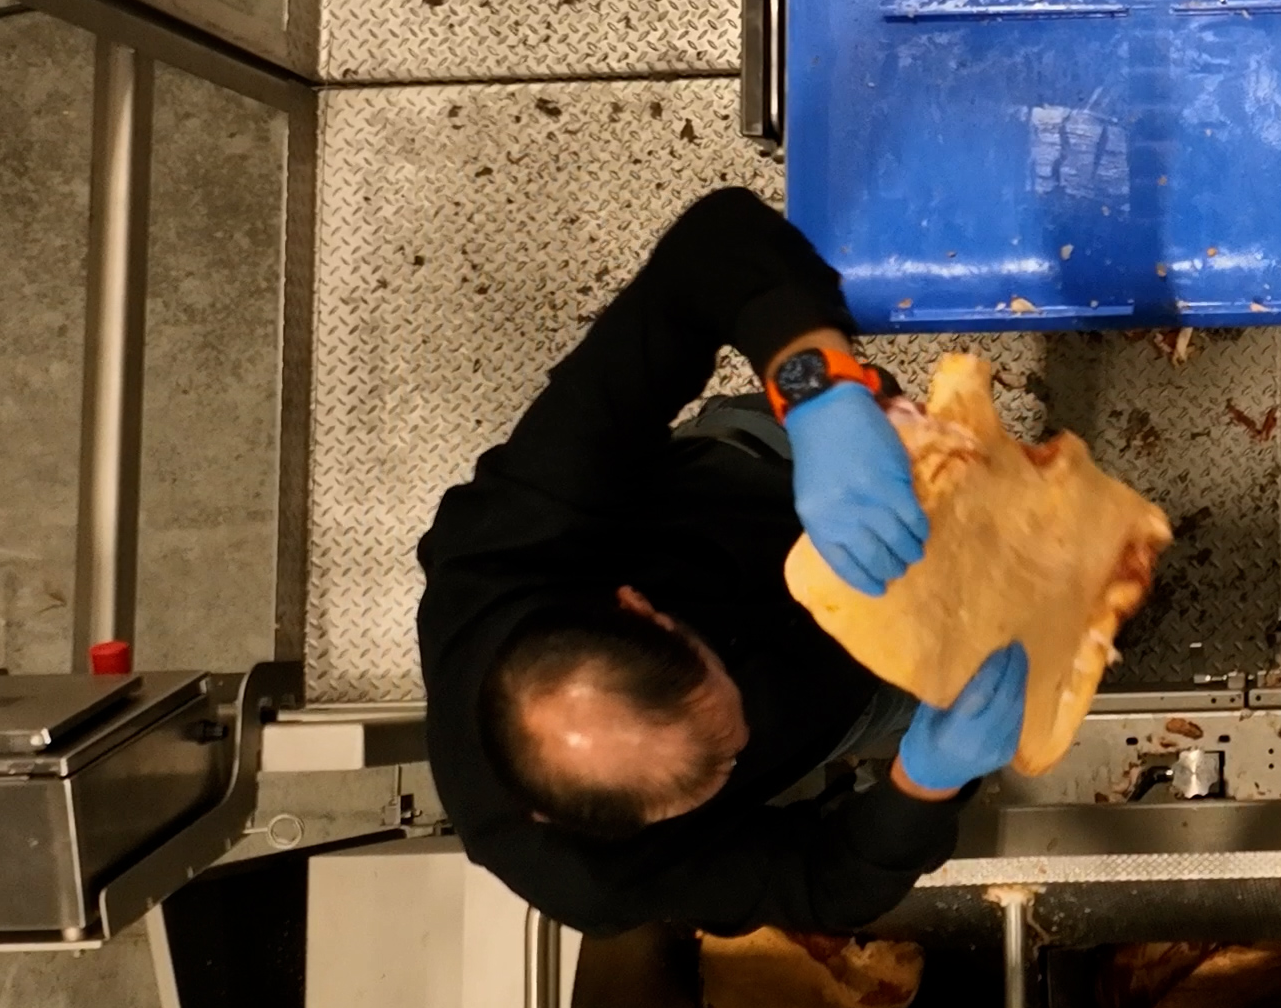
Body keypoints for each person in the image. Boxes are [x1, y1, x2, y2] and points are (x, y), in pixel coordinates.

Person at [416, 187, 1026, 934]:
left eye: (723, 709)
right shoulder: (591, 881)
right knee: (1009, 665)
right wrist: (925, 782)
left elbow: (715, 250)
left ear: (637, 605)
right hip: (841, 694)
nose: (734, 766)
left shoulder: (521, 528)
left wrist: (818, 396)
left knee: (892, 411)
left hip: (766, 490)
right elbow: (823, 886)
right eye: (723, 774)